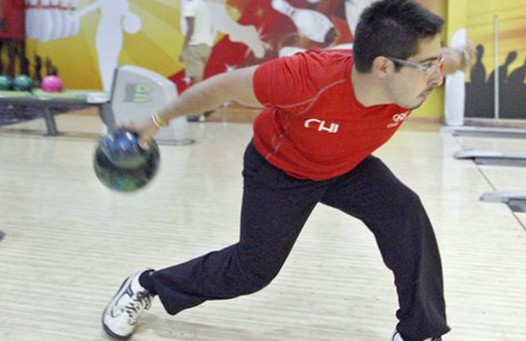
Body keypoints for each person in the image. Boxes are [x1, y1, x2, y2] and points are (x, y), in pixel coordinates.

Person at [101, 1, 474, 340]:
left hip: (347, 164)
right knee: (251, 271)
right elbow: (218, 88)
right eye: (427, 66)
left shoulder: (418, 75)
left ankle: (420, 331)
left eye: (437, 62)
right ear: (382, 67)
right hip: (281, 169)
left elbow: (452, 59)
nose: (437, 77)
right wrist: (155, 120)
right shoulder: (305, 78)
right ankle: (146, 285)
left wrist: (461, 55)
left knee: (405, 211)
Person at [180, 0, 216, 122]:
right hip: (206, 46)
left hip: (195, 46)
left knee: (195, 83)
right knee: (199, 81)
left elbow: (190, 28)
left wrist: (184, 49)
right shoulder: (203, 5)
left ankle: (198, 112)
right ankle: (207, 107)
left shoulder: (190, 6)